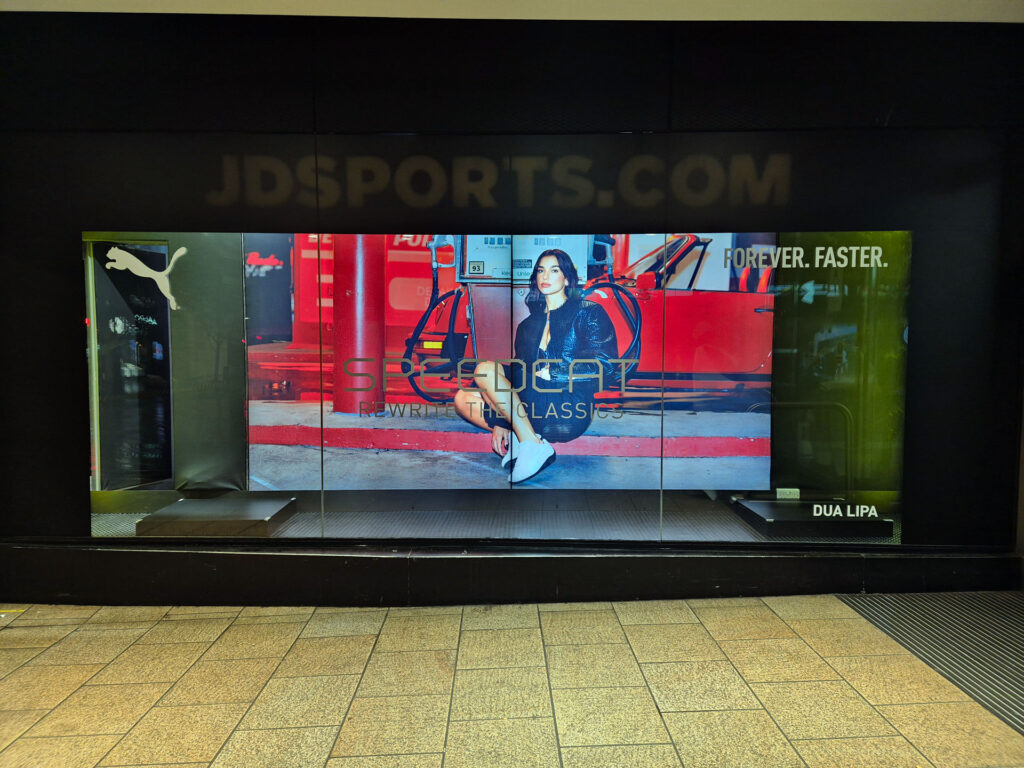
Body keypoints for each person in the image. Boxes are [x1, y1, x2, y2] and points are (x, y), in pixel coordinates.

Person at [453, 248, 619, 483]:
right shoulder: (527, 326)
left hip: (569, 408)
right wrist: (502, 421)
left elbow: (608, 367)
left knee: (487, 371)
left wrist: (556, 373)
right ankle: (525, 437)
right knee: (463, 397)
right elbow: (517, 375)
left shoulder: (588, 313)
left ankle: (531, 445)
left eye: (554, 270)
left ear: (567, 278)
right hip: (534, 409)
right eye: (541, 270)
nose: (546, 276)